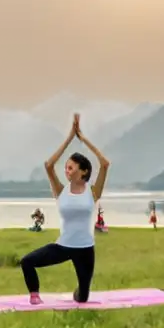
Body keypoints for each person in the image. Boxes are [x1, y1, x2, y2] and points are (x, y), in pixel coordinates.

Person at [19, 114, 110, 306]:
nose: (66, 171)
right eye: (66, 168)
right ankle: (34, 295)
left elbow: (105, 163)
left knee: (83, 297)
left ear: (83, 171)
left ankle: (78, 293)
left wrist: (83, 138)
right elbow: (49, 165)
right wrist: (70, 136)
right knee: (27, 261)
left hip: (85, 249)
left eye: (70, 168)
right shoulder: (61, 191)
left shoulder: (93, 192)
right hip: (63, 246)